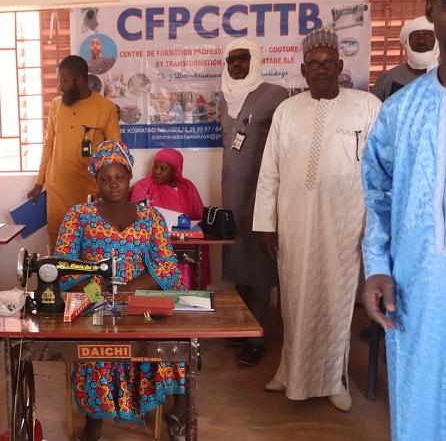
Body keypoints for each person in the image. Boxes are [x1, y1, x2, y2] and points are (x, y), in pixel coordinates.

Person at [252, 28, 381, 411]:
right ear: (304, 70)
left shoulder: (367, 106)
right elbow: (270, 171)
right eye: (314, 64)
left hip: (345, 224)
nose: (321, 70)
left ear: (340, 67)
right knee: (294, 299)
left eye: (328, 64)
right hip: (294, 223)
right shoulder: (287, 111)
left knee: (336, 301)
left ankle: (333, 380)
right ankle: (289, 373)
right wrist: (266, 223)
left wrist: (375, 226)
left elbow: (381, 169)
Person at [361, 0, 446, 441]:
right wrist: (377, 265)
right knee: (420, 411)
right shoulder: (401, 110)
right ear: (432, 10)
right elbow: (378, 194)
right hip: (418, 293)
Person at [54, 140, 186, 441]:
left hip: (138, 297)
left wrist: (124, 291)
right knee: (97, 346)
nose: (113, 184)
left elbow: (166, 266)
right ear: (96, 180)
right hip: (95, 297)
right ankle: (95, 422)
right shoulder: (79, 216)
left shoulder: (151, 217)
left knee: (170, 340)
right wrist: (101, 293)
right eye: (105, 178)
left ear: (130, 177)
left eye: (119, 177)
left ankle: (179, 409)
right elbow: (64, 266)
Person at [217, 38, 289, 366]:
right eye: (231, 60)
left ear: (256, 59)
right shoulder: (225, 99)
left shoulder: (275, 94)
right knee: (238, 261)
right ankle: (242, 324)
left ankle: (257, 336)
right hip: (232, 193)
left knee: (260, 262)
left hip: (262, 191)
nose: (236, 65)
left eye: (242, 58)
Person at [28, 55, 120, 248]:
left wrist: (107, 191)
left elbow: (114, 153)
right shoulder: (56, 105)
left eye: (64, 81)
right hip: (57, 191)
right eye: (59, 81)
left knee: (88, 248)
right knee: (58, 250)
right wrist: (38, 183)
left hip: (89, 193)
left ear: (80, 80)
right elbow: (48, 145)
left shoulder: (106, 108)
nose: (60, 87)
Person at [130, 148, 210, 290]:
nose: (157, 172)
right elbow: (133, 219)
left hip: (182, 244)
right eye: (155, 166)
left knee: (183, 266)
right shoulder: (143, 186)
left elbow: (199, 218)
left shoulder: (187, 188)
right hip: (152, 245)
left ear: (175, 171)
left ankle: (184, 297)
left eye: (163, 168)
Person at [371, 16, 439, 101]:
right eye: (415, 36)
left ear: (437, 41)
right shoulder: (388, 79)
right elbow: (372, 108)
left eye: (427, 35)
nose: (421, 41)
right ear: (407, 43)